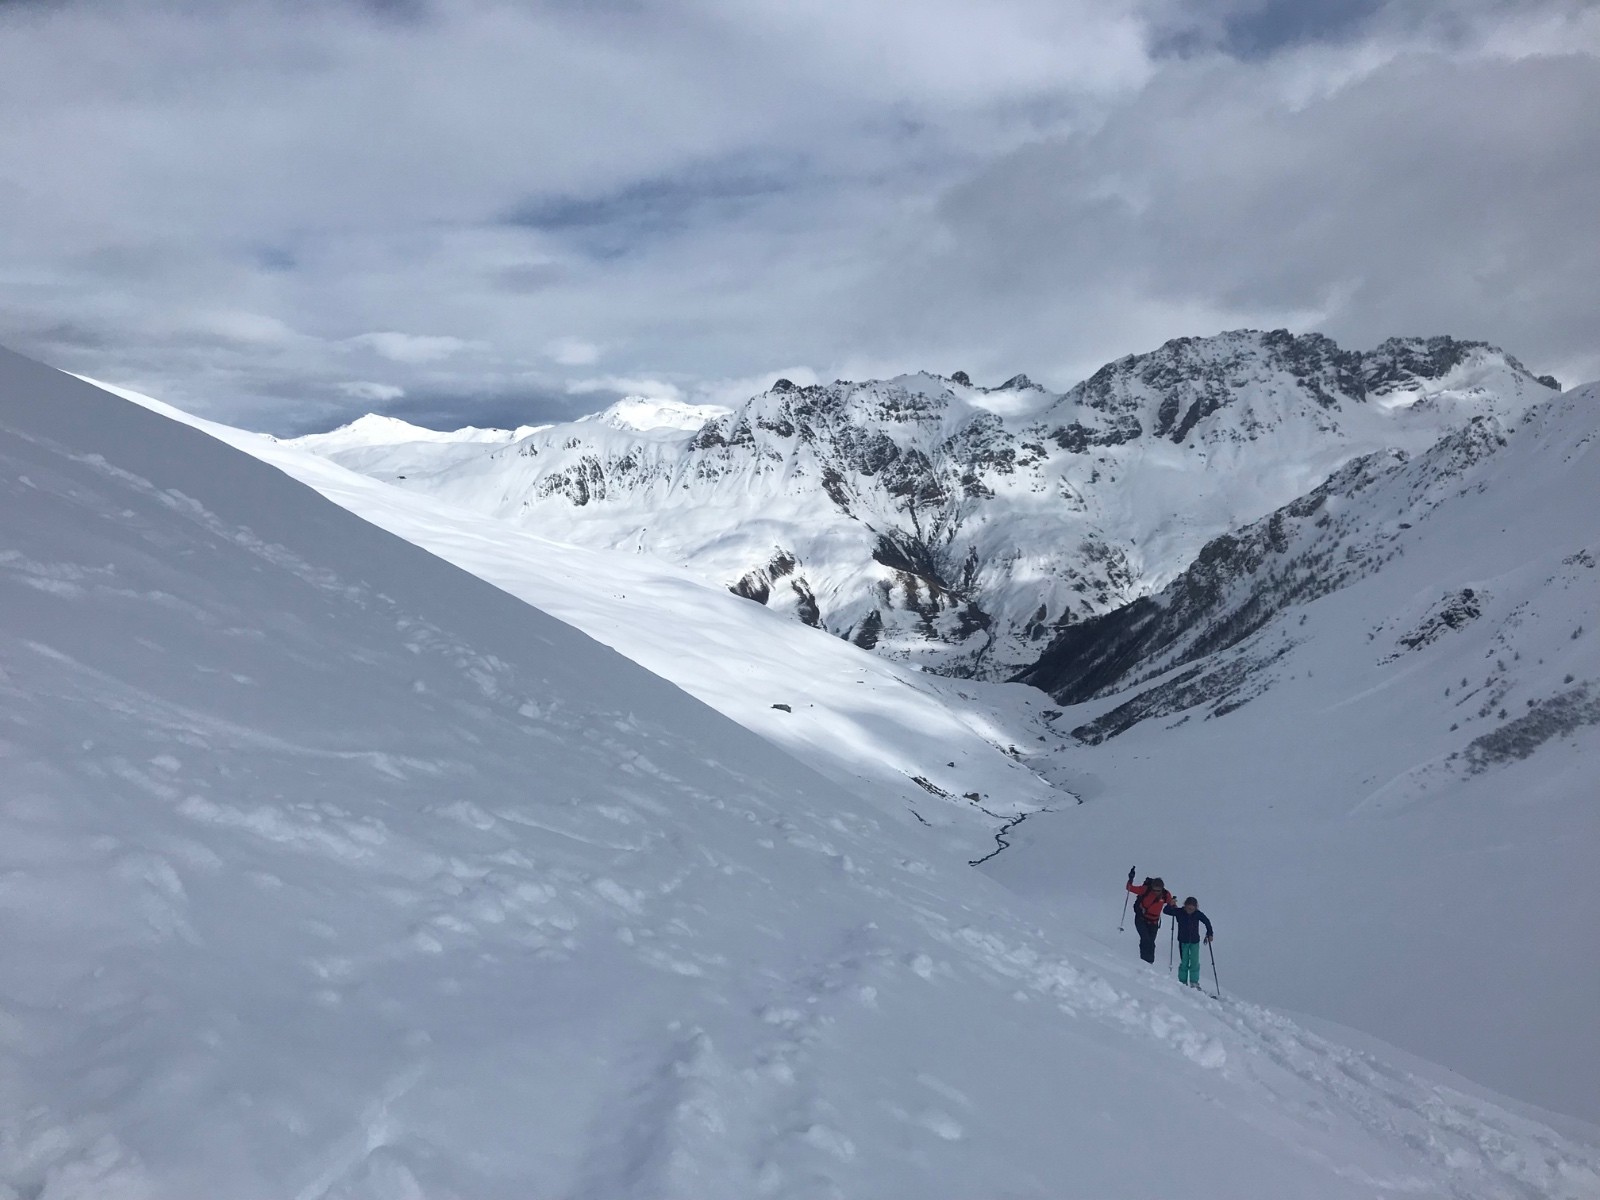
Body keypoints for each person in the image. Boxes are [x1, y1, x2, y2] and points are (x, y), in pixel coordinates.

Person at [1163, 896, 1215, 989]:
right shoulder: (1179, 912)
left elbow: (1207, 922)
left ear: (1196, 907)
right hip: (1183, 941)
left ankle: (1194, 982)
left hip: (1195, 941)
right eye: (1188, 908)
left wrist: (1210, 933)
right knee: (1184, 961)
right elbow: (1166, 911)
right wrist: (1170, 904)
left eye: (1192, 908)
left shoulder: (1197, 914)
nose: (1190, 910)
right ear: (1185, 905)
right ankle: (1182, 981)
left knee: (1194, 962)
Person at [1125, 868, 1174, 964]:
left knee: (1151, 942)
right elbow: (1129, 888)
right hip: (1141, 919)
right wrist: (1130, 879)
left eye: (1158, 890)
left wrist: (1173, 906)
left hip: (1154, 922)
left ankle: (1148, 963)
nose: (1156, 892)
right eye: (1154, 890)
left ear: (1162, 889)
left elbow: (1171, 905)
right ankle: (1144, 962)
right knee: (1146, 939)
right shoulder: (1145, 890)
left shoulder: (1166, 894)